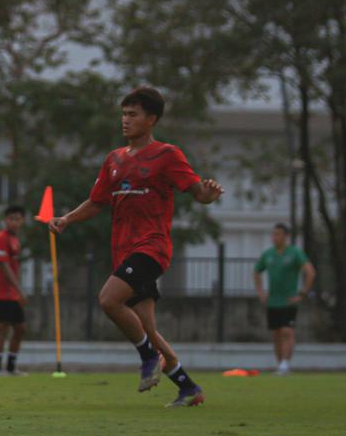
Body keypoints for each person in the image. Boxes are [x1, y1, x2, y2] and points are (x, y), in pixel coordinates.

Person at [50, 86, 223, 407]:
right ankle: (188, 388)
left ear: (152, 119)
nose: (125, 120)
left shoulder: (167, 155)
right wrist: (67, 219)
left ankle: (147, 357)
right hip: (124, 251)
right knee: (148, 328)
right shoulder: (113, 160)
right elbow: (96, 201)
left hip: (152, 247)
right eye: (124, 114)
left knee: (108, 300)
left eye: (133, 115)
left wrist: (208, 195)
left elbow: (197, 191)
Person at [253, 223, 315, 375]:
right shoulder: (268, 254)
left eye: (278, 234)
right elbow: (256, 271)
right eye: (273, 234)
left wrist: (302, 293)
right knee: (277, 334)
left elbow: (310, 272)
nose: (275, 237)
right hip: (273, 301)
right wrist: (261, 292)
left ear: (286, 236)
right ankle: (280, 365)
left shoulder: (295, 253)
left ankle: (285, 364)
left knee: (287, 331)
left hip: (289, 301)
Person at [0, 205, 29, 376]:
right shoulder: (1, 238)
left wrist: (17, 291)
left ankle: (11, 367)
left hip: (12, 294)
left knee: (20, 328)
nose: (14, 222)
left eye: (17, 219)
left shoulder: (15, 240)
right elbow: (4, 266)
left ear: (22, 221)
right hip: (1, 292)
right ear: (5, 220)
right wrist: (19, 289)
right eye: (11, 218)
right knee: (3, 328)